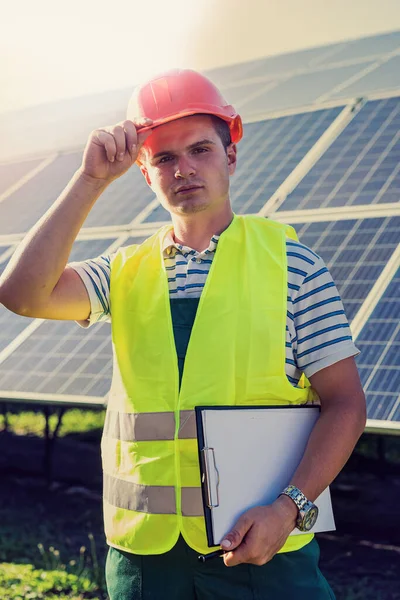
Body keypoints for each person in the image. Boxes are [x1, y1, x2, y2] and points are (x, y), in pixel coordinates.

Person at [0, 69, 366, 599]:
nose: (184, 170)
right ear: (145, 175)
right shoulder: (121, 271)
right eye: (164, 159)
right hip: (146, 566)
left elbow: (346, 404)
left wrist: (289, 509)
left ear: (231, 157)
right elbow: (22, 293)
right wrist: (91, 180)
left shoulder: (294, 264)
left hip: (263, 553)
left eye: (200, 150)